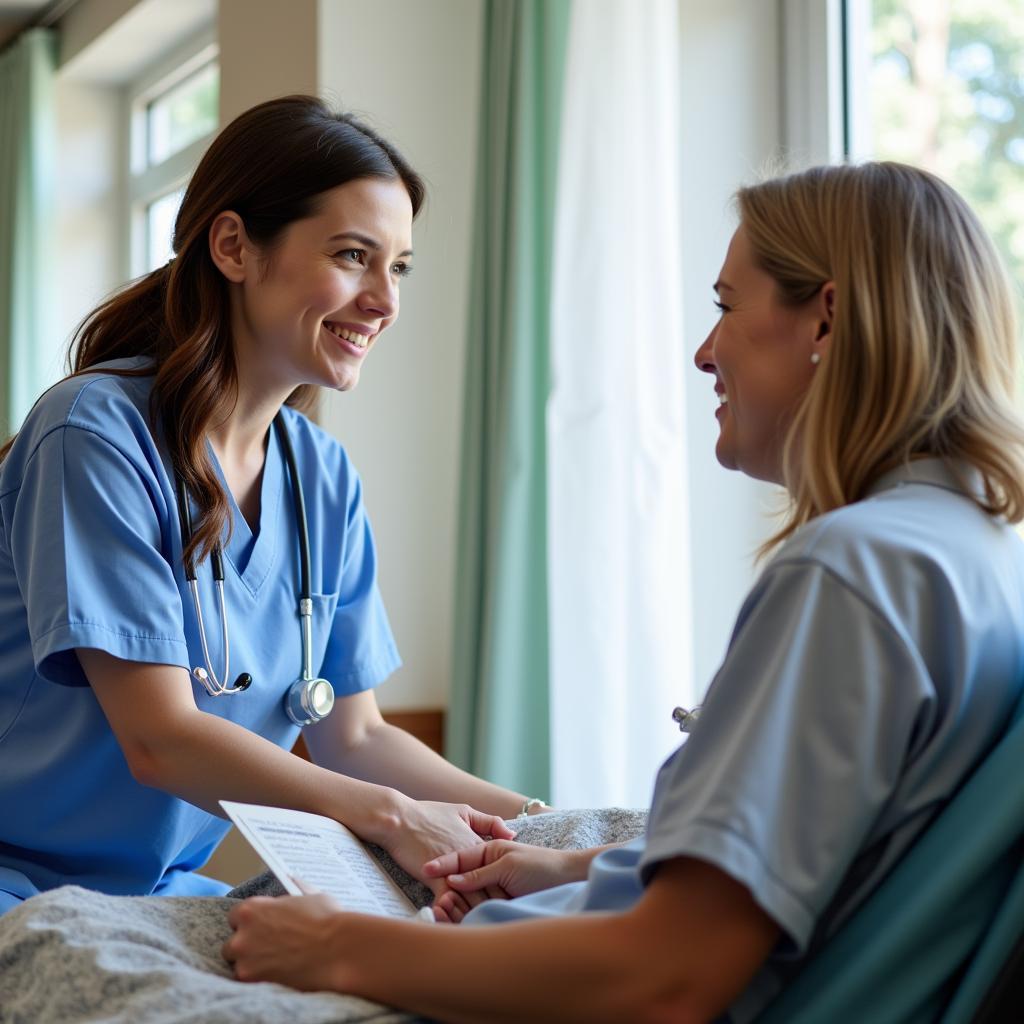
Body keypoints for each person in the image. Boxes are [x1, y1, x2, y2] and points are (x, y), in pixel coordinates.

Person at [223, 161, 1024, 1023]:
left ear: (824, 316)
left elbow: (668, 977)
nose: (704, 351)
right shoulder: (975, 554)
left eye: (725, 305)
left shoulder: (850, 573)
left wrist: (333, 945)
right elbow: (843, 870)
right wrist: (575, 868)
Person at [0, 95, 550, 917]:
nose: (384, 301)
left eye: (396, 267)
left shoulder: (321, 478)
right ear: (233, 247)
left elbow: (354, 737)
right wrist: (397, 821)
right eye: (353, 255)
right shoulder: (94, 433)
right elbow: (159, 739)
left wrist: (541, 831)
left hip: (156, 894)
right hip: (20, 882)